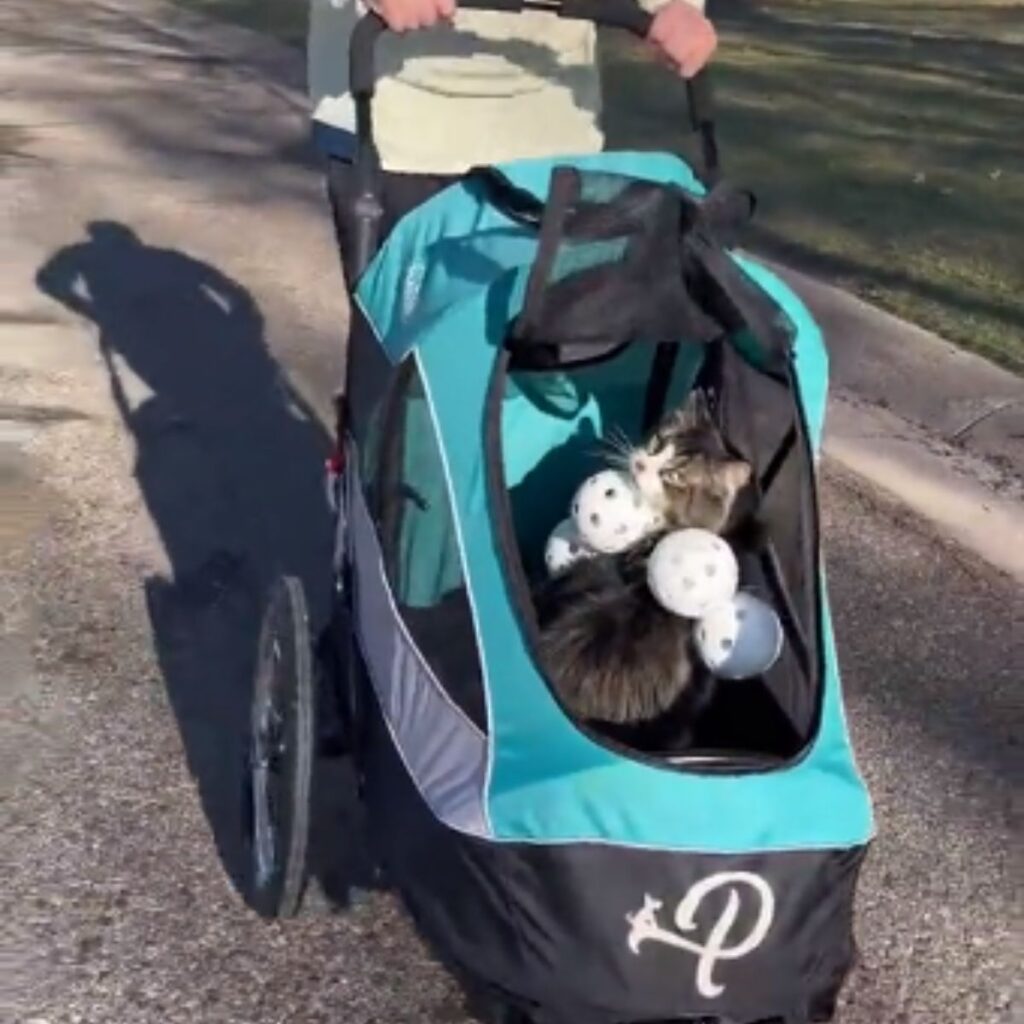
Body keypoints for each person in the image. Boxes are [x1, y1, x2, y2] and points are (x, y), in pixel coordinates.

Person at [308, 0, 717, 285]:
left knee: (538, 359)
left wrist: (679, 7)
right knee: (404, 370)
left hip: (549, 128)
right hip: (395, 120)